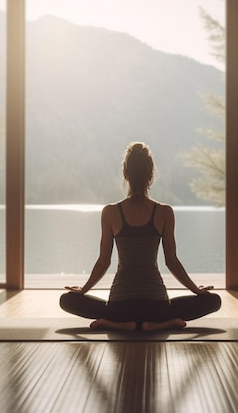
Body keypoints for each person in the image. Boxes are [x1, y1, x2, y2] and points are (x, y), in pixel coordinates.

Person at [60, 141, 221, 331]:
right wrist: (196, 290)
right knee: (214, 301)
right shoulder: (164, 212)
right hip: (157, 307)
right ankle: (159, 323)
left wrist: (84, 290)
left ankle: (116, 323)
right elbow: (172, 262)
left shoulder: (110, 212)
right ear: (151, 175)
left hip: (119, 307)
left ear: (125, 174)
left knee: (66, 300)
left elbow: (104, 262)